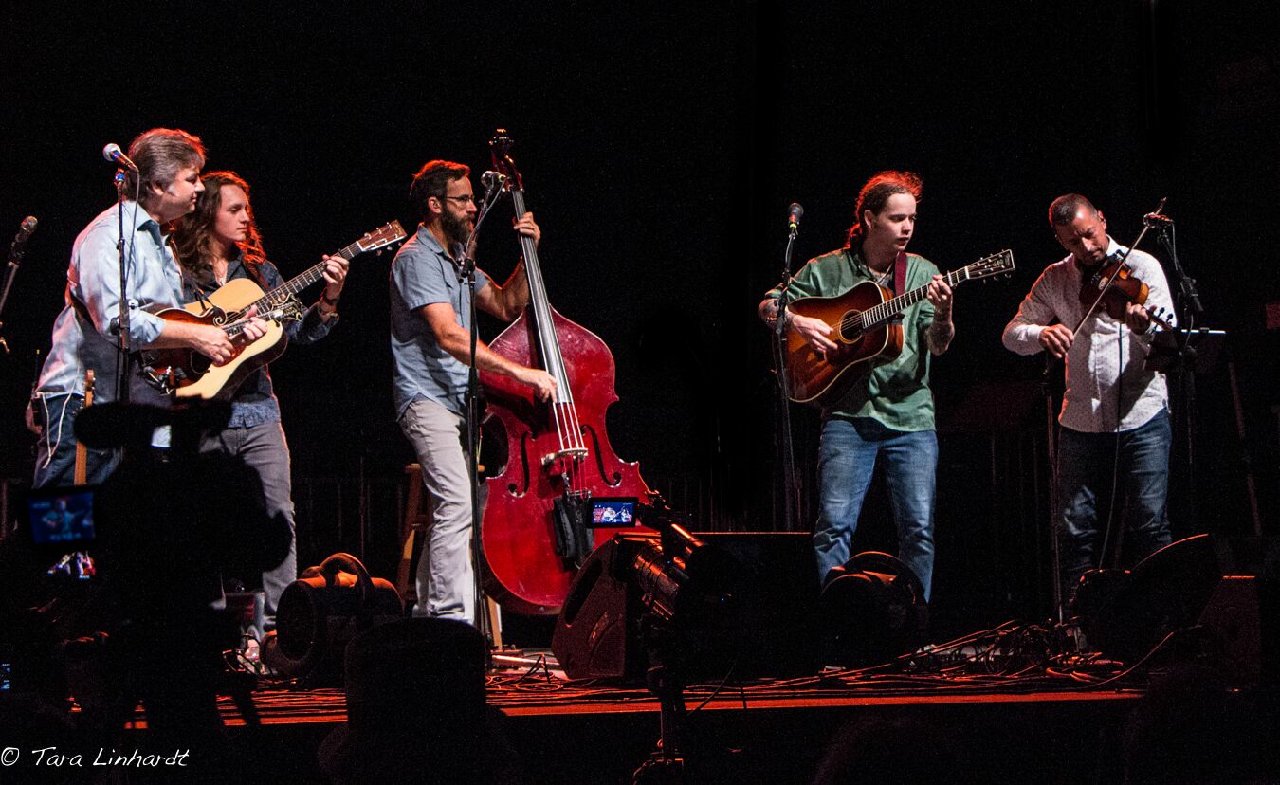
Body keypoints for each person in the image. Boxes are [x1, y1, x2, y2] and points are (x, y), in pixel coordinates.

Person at [758, 171, 954, 601]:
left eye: (913, 219)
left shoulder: (921, 272)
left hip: (911, 417)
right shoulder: (826, 269)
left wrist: (943, 315)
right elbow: (769, 305)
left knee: (918, 530)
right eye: (897, 218)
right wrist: (798, 321)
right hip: (847, 415)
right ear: (869, 219)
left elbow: (937, 348)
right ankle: (838, 624)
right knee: (833, 527)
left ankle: (911, 629)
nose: (907, 227)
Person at [29, 128, 257, 489]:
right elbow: (117, 321)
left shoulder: (160, 242)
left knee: (118, 526)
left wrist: (231, 331)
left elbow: (170, 323)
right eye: (191, 178)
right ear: (155, 186)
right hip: (84, 397)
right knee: (62, 521)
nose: (200, 188)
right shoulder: (106, 236)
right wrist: (198, 334)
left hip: (136, 405)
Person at [172, 171, 348, 621]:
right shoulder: (175, 269)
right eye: (235, 209)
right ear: (207, 212)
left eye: (247, 209)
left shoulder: (261, 274)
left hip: (259, 414)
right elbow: (160, 332)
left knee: (279, 519)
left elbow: (300, 335)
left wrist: (329, 298)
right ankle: (202, 626)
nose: (246, 218)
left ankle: (278, 631)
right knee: (198, 524)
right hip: (199, 412)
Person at [390, 160, 556, 626]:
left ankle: (428, 616)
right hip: (425, 399)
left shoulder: (458, 263)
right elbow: (448, 335)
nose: (473, 207)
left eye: (472, 199)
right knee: (457, 504)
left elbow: (506, 304)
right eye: (463, 200)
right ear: (435, 204)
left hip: (460, 402)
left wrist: (530, 252)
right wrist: (523, 375)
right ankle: (449, 622)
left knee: (459, 508)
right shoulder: (416, 258)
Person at [1001, 193, 1174, 600]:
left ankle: (1162, 624)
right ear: (1061, 242)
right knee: (1074, 528)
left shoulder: (1141, 266)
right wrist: (1040, 334)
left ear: (1102, 218)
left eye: (1090, 235)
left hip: (1142, 415)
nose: (1088, 248)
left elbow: (1169, 340)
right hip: (1079, 421)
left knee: (1149, 526)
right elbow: (1011, 334)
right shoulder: (1054, 278)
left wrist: (1143, 327)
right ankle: (1082, 628)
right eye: (1074, 242)